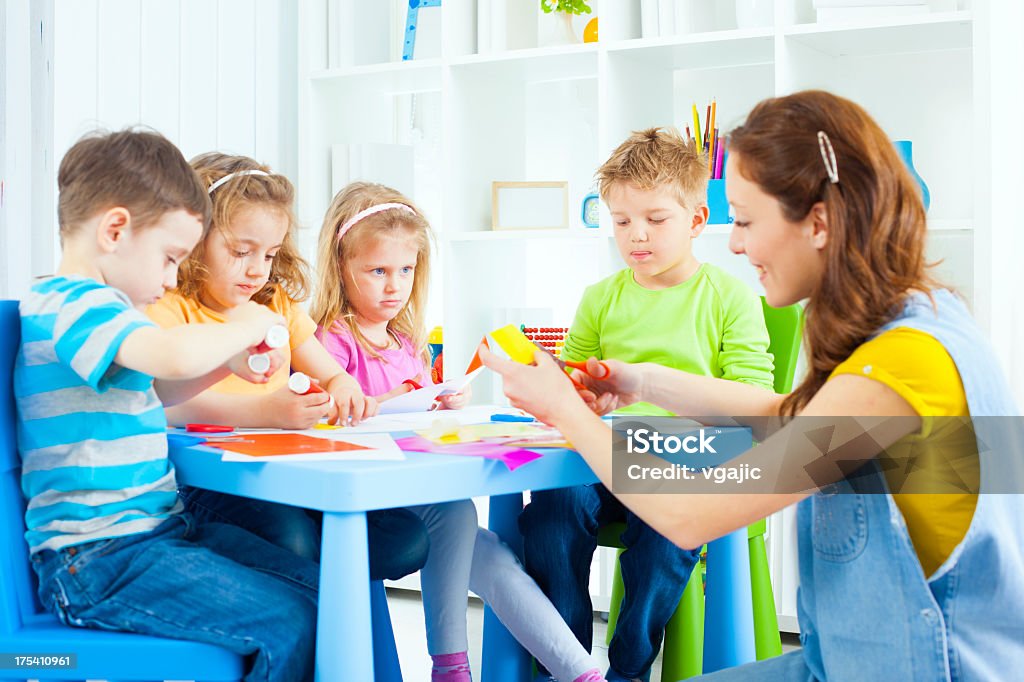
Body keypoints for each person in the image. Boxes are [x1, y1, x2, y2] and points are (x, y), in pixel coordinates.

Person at [481, 90, 1024, 680]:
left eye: (743, 219)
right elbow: (787, 413)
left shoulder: (895, 370)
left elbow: (690, 515)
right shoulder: (925, 324)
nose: (735, 243)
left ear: (817, 222)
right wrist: (642, 381)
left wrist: (568, 410)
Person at [15, 128, 320, 682]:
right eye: (169, 257)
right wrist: (248, 324)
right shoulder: (69, 303)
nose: (173, 277)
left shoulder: (107, 311)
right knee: (289, 621)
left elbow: (157, 386)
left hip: (152, 536)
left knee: (324, 590)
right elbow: (170, 355)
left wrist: (224, 365)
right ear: (114, 230)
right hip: (97, 559)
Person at [312, 181, 606, 682]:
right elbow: (327, 423)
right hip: (374, 503)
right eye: (378, 271)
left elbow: (420, 420)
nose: (394, 285)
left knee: (495, 559)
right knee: (459, 516)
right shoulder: (332, 342)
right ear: (342, 266)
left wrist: (444, 401)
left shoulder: (406, 340)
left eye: (406, 270)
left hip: (419, 490)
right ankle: (451, 668)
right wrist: (385, 404)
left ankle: (580, 673)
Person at [518, 127, 774, 682]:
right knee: (550, 515)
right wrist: (561, 388)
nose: (637, 236)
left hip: (683, 464)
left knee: (665, 535)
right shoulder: (600, 299)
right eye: (622, 221)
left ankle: (627, 669)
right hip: (602, 460)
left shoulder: (730, 299)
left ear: (697, 220)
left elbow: (753, 404)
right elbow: (574, 388)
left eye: (656, 220)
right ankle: (568, 664)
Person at [146, 153, 428, 582]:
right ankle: (312, 614)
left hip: (290, 471)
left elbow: (331, 372)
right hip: (211, 481)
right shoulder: (170, 306)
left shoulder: (274, 303)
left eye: (271, 253)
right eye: (241, 251)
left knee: (404, 539)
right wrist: (264, 414)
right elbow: (164, 403)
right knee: (294, 541)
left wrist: (342, 387)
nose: (258, 269)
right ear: (194, 237)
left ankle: (313, 596)